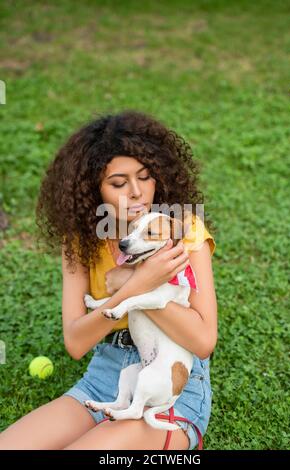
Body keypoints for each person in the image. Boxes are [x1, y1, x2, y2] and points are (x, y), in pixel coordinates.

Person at [0, 110, 218, 450]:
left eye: (145, 177)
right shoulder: (82, 241)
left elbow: (203, 341)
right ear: (92, 189)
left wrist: (138, 284)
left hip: (171, 387)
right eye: (118, 183)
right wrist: (135, 284)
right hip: (104, 377)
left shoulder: (180, 231)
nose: (136, 192)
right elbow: (75, 341)